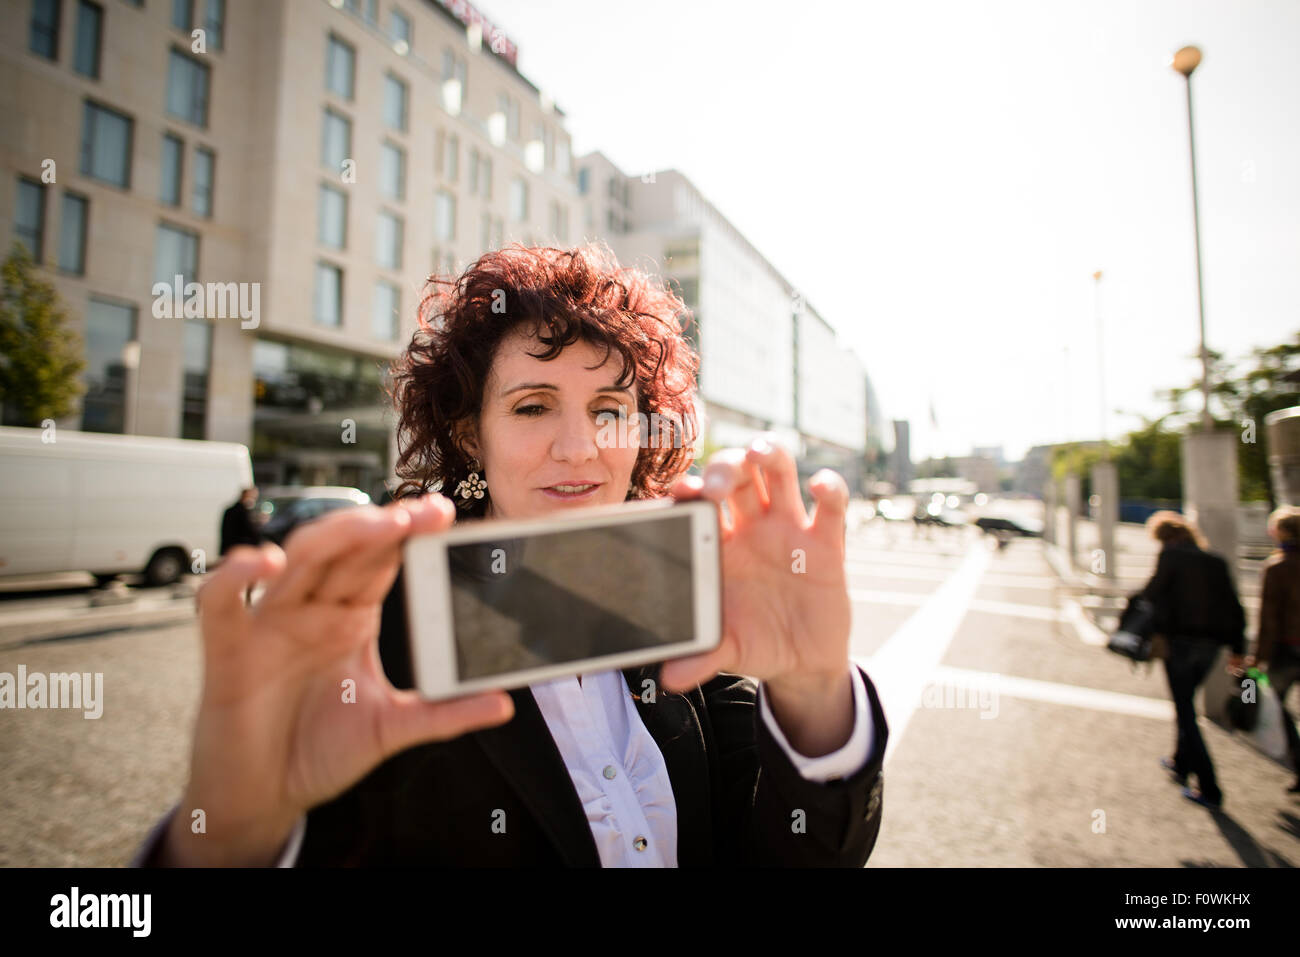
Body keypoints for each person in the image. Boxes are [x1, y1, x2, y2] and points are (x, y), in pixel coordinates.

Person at [133, 243, 888, 867]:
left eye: (608, 411)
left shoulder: (678, 612)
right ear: (470, 435)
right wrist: (230, 837)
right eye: (532, 406)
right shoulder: (375, 635)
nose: (579, 446)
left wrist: (816, 695)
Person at [1141, 511, 1245, 810]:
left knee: (1185, 710)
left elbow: (1152, 594)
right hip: (1211, 647)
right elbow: (1234, 608)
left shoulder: (1171, 558)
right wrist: (1237, 650)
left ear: (1164, 538)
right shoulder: (1215, 561)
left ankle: (1209, 786)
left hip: (1180, 644)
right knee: (1186, 701)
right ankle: (1180, 762)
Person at [1252, 506, 1300, 794]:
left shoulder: (1277, 567)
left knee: (1276, 708)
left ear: (1282, 532)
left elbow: (1268, 619)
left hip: (1287, 650)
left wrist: (1258, 660)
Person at [219, 487, 263, 556]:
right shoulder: (243, 512)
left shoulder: (230, 510)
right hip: (240, 549)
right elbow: (249, 530)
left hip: (230, 549)